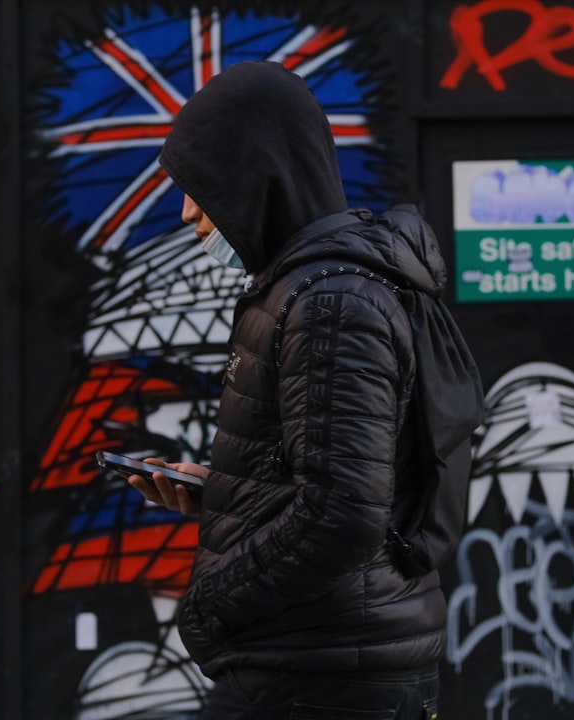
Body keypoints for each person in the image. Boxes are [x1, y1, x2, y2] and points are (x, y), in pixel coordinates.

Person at [127, 60, 480, 719]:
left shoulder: (331, 302)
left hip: (321, 678)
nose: (187, 214)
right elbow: (341, 482)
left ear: (255, 175)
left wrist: (211, 605)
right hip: (322, 664)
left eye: (199, 187)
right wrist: (230, 496)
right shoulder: (320, 289)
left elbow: (343, 516)